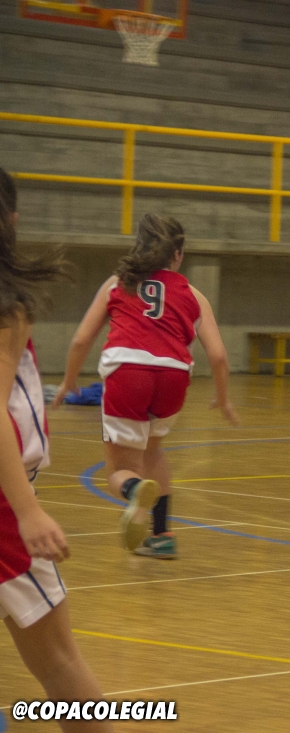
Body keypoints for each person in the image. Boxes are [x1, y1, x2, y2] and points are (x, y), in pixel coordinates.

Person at [0, 167, 114, 732]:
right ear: (11, 220)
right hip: (3, 505)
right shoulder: (6, 306)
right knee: (60, 663)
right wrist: (27, 510)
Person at [55, 214, 238, 559]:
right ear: (178, 254)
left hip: (128, 373)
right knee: (153, 451)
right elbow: (218, 357)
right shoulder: (193, 294)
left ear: (139, 246)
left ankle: (134, 489)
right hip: (174, 377)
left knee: (118, 471)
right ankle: (162, 536)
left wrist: (68, 381)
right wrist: (224, 398)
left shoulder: (118, 283)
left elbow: (80, 340)